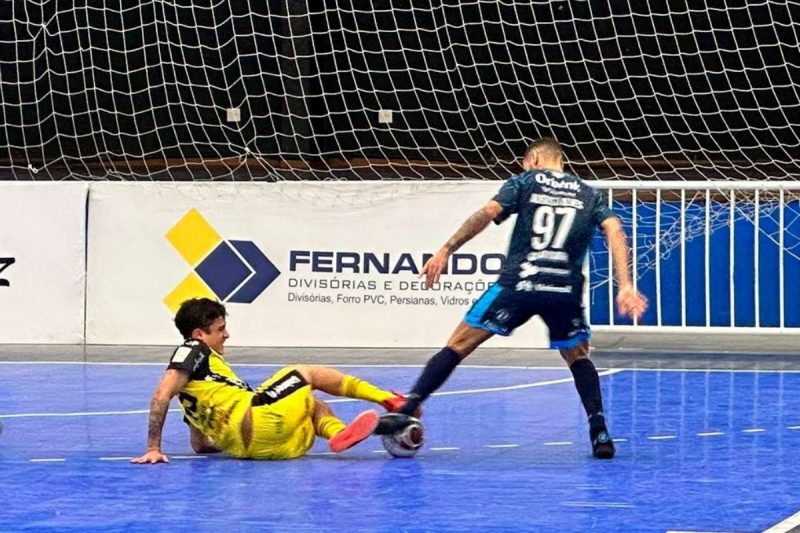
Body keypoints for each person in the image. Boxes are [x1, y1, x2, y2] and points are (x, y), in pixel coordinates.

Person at [395, 137, 648, 459]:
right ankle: (599, 431)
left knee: (458, 344)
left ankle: (409, 406)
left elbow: (486, 213)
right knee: (579, 357)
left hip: (518, 285)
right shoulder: (589, 194)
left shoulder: (527, 181)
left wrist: (447, 249)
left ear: (536, 159)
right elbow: (615, 230)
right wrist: (624, 284)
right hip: (563, 291)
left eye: (524, 162)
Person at [132, 297, 408, 463]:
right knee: (304, 373)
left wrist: (230, 438)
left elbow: (200, 445)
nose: (226, 335)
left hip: (254, 450)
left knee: (310, 404)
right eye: (220, 329)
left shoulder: (197, 396)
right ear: (199, 335)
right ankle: (387, 398)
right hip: (256, 416)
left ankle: (337, 434)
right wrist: (153, 448)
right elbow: (160, 394)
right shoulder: (192, 349)